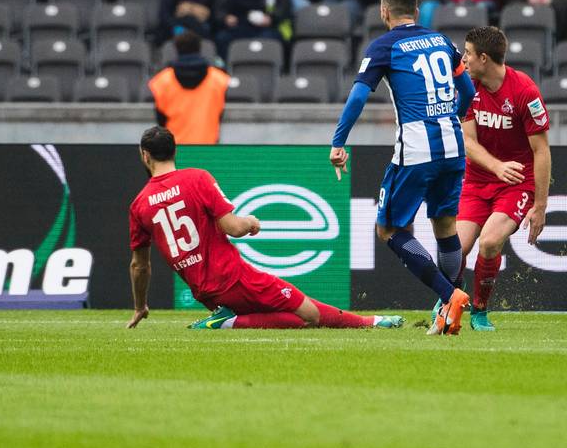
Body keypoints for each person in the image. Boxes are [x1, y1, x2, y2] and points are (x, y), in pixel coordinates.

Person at [126, 126, 403, 330]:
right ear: (175, 150)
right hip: (233, 277)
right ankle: (373, 321)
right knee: (310, 314)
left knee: (297, 319)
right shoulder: (196, 178)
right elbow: (233, 228)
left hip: (205, 291)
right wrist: (251, 221)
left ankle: (226, 319)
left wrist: (140, 306)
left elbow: (140, 266)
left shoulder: (139, 204)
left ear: (145, 155)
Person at [329, 0, 475, 336]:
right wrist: (447, 117)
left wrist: (338, 142)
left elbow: (358, 97)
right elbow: (468, 91)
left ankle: (449, 296)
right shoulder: (442, 41)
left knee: (389, 229)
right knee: (445, 226)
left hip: (416, 148)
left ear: (384, 11)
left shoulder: (384, 46)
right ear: (417, 8)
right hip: (453, 146)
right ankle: (447, 311)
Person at [451, 26, 552, 331]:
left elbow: (542, 151)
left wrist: (540, 206)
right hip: (477, 182)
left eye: (468, 53)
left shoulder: (524, 91)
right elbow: (467, 142)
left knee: (491, 242)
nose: (464, 59)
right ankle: (449, 302)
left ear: (484, 58)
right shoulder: (467, 88)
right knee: (454, 250)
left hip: (516, 183)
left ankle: (479, 312)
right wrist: (495, 166)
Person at [146, 32, 228, 144]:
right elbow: (220, 114)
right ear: (199, 48)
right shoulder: (218, 79)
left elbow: (161, 119)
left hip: (175, 149)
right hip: (208, 147)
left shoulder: (162, 80)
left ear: (177, 49)